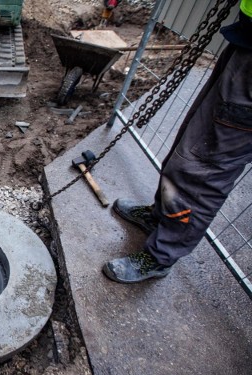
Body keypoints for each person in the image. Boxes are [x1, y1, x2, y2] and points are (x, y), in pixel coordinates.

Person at [103, 0, 252, 284]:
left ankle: (161, 255)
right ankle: (161, 217)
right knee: (192, 145)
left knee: (205, 167)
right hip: (246, 43)